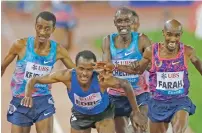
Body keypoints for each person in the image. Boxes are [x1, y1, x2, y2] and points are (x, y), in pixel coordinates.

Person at [102, 19, 201, 133]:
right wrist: (115, 66)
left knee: (178, 129)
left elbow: (199, 66)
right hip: (158, 102)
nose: (173, 39)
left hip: (179, 100)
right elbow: (138, 71)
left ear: (181, 35)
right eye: (169, 34)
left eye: (177, 35)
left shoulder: (187, 51)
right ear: (163, 33)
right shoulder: (151, 51)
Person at [21, 50, 147, 133]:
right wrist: (27, 95)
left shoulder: (102, 79)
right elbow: (34, 79)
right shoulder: (67, 76)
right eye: (81, 69)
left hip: (103, 114)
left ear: (94, 68)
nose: (84, 74)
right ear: (75, 67)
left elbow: (126, 84)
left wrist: (136, 111)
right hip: (81, 115)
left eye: (88, 69)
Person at [1, 11, 75, 133]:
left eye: (47, 28)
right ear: (35, 26)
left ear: (53, 29)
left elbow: (76, 73)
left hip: (43, 101)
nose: (42, 32)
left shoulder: (58, 51)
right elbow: (2, 67)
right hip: (20, 101)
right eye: (39, 27)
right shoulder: (20, 45)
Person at [102, 7, 151, 133]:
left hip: (140, 94)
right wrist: (130, 67)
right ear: (115, 22)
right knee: (121, 130)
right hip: (116, 95)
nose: (123, 24)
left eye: (126, 21)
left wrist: (142, 64)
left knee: (140, 127)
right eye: (119, 21)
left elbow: (152, 66)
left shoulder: (142, 40)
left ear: (132, 22)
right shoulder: (108, 40)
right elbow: (107, 68)